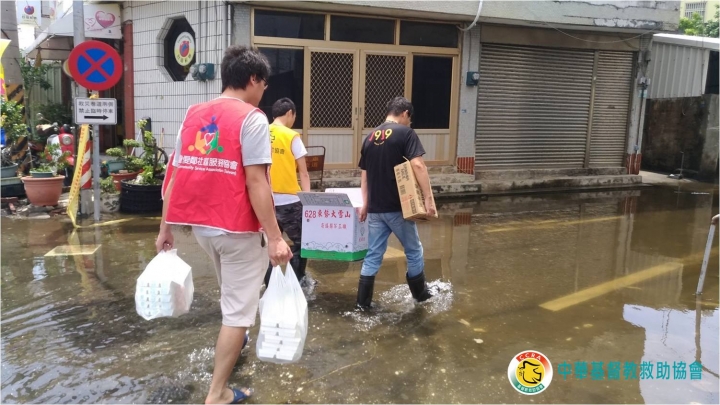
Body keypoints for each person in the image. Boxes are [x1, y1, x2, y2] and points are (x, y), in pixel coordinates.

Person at [155, 45, 293, 405]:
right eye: (263, 84)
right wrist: (276, 238)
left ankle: (236, 341)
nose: (264, 92)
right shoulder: (252, 118)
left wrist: (165, 229)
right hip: (237, 230)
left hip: (202, 229)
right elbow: (257, 183)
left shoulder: (193, 114)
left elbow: (174, 174)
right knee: (238, 314)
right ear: (252, 79)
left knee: (232, 297)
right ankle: (217, 393)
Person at [356, 96, 437, 309]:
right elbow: (418, 165)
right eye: (409, 119)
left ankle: (362, 303)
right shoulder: (406, 133)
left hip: (374, 209)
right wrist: (428, 198)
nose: (409, 123)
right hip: (398, 208)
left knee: (373, 254)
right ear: (405, 114)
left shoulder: (369, 137)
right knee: (413, 250)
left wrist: (365, 204)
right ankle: (420, 297)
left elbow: (364, 175)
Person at [263, 98, 311, 286]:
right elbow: (304, 174)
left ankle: (269, 285)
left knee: (270, 245)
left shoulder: (260, 132)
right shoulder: (291, 136)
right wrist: (308, 202)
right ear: (290, 113)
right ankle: (297, 282)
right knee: (303, 244)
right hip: (290, 202)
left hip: (265, 201)